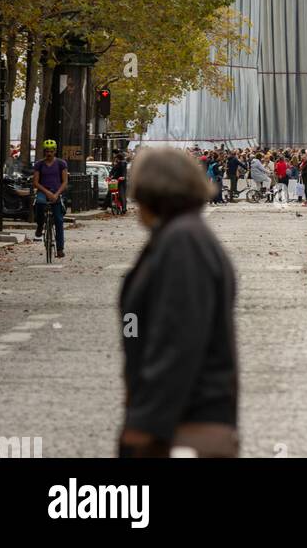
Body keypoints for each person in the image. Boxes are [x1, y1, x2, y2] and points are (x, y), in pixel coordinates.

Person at [118, 147, 239, 458]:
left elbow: (179, 339)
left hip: (182, 421)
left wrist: (146, 420)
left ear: (151, 192)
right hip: (183, 416)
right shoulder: (180, 236)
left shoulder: (183, 242)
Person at [33, 140, 68, 259]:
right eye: (47, 151)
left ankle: (60, 248)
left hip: (56, 192)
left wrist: (57, 194)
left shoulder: (61, 164)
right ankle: (40, 224)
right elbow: (36, 182)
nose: (49, 153)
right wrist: (47, 192)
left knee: (58, 220)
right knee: (39, 203)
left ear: (55, 151)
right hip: (43, 191)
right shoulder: (39, 164)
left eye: (51, 151)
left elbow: (64, 182)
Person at [109, 149, 128, 215]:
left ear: (118, 158)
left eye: (116, 158)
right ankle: (111, 204)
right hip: (116, 180)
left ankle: (124, 208)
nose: (115, 159)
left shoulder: (123, 163)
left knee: (122, 194)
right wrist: (110, 176)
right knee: (112, 191)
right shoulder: (117, 164)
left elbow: (124, 172)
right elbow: (113, 170)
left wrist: (123, 177)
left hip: (122, 181)